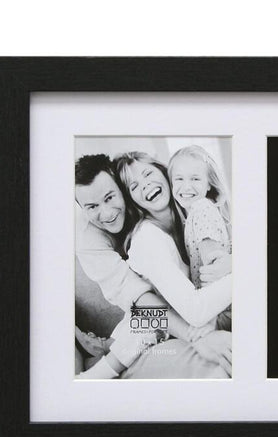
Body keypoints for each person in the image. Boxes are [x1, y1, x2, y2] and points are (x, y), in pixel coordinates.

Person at [75, 154, 231, 379]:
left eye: (110, 197)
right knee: (143, 324)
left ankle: (109, 345)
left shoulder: (188, 206)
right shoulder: (92, 242)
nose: (106, 213)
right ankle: (96, 370)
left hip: (178, 304)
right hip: (149, 311)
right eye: (92, 207)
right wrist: (198, 337)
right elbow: (140, 301)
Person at [113, 151, 233, 331]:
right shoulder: (146, 240)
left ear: (165, 173)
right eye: (134, 186)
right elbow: (196, 312)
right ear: (132, 200)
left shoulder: (191, 210)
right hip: (160, 331)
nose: (145, 185)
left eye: (148, 173)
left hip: (203, 318)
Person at [168, 145, 232, 331]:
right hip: (218, 305)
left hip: (221, 308)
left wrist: (212, 320)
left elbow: (214, 267)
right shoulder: (196, 212)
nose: (186, 186)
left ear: (209, 184)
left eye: (195, 178)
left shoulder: (201, 208)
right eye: (179, 179)